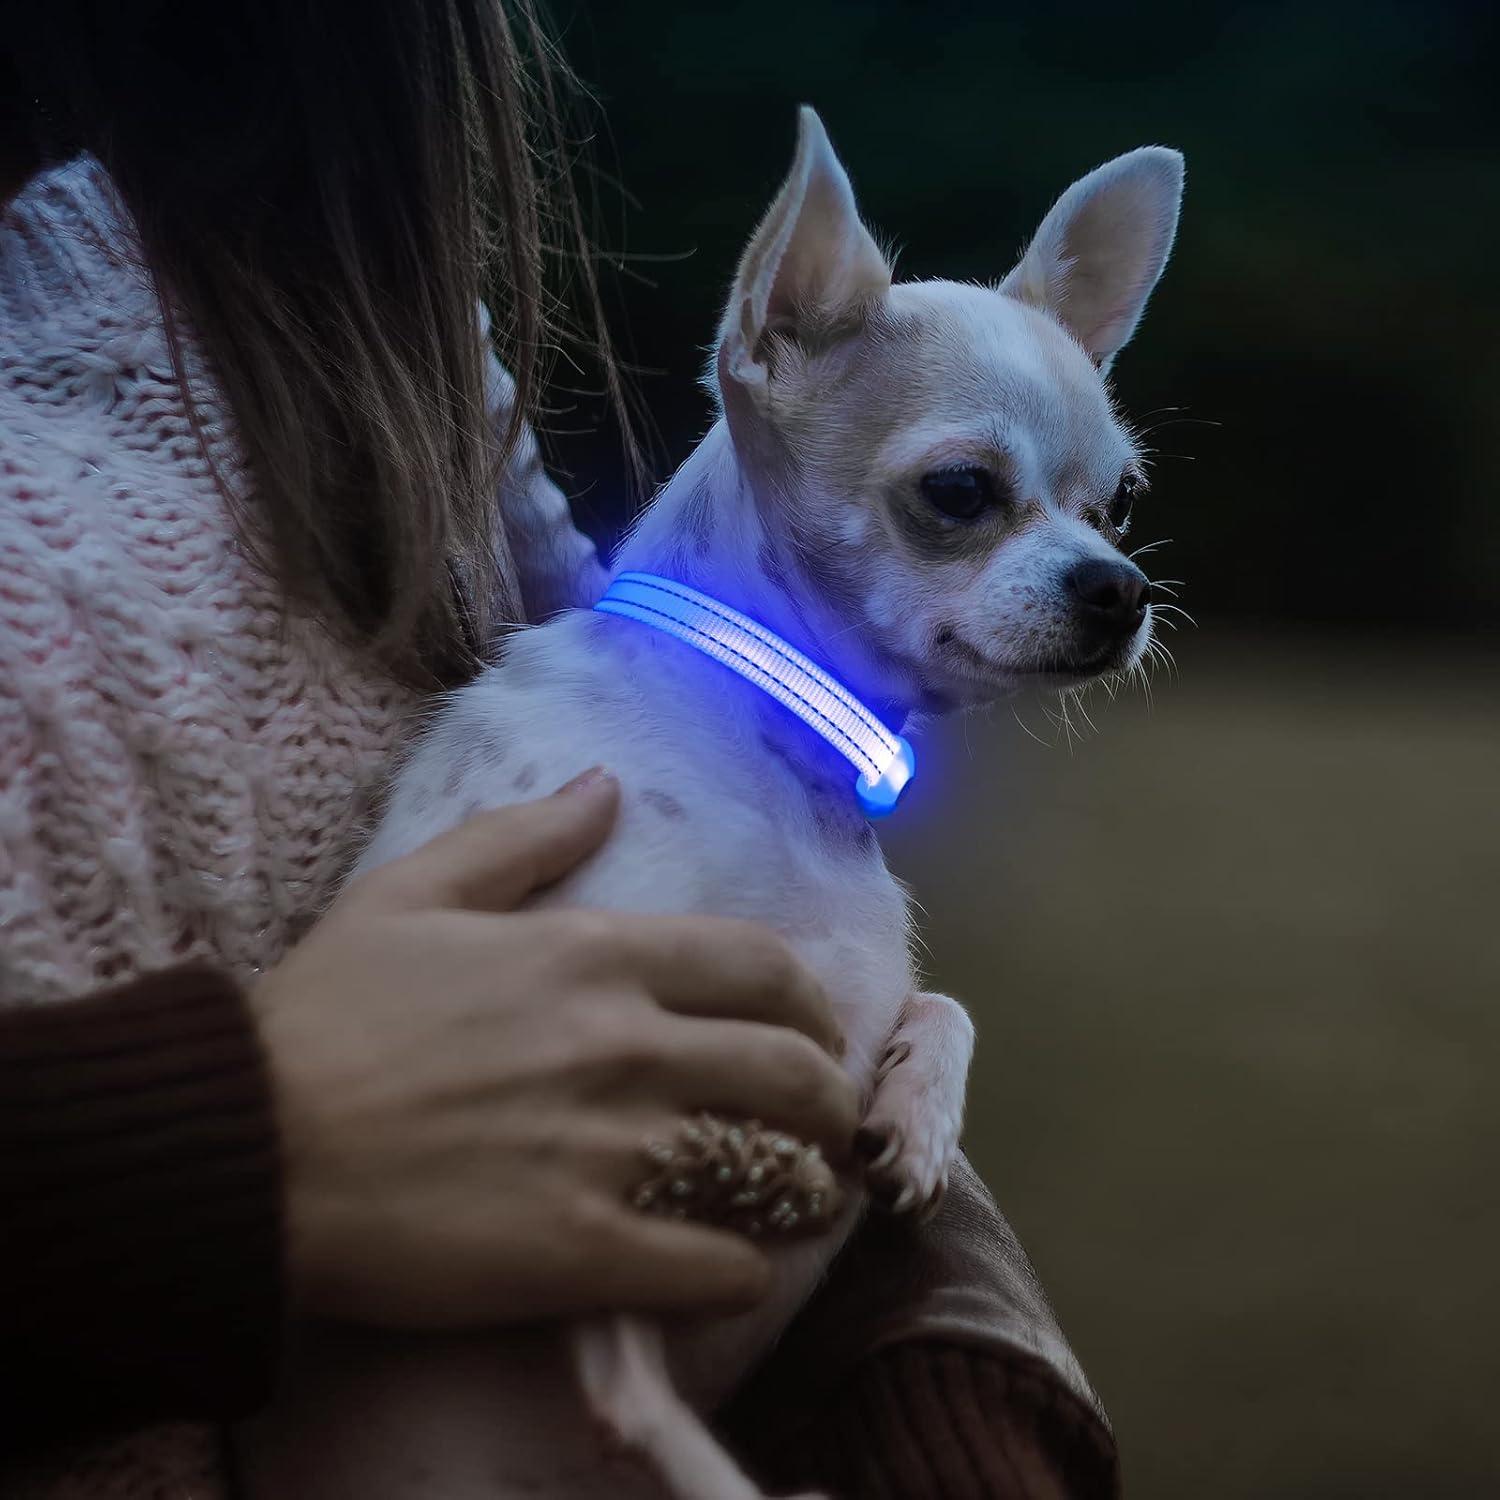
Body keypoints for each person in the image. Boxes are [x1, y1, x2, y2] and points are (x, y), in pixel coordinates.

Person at [0, 2, 1118, 1495]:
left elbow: (760, 1087)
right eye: (964, 495)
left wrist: (954, 1367)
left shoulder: (444, 446)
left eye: (1108, 510)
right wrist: (220, 1148)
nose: (1095, 566)